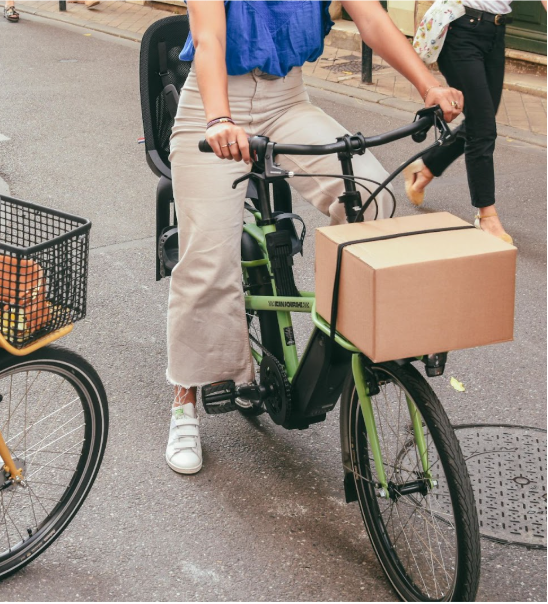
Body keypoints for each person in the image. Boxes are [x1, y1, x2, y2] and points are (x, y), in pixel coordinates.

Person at [164, 0, 464, 474]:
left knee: (373, 199)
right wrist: (220, 118)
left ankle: (341, 325)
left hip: (287, 100)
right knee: (206, 259)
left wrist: (429, 85)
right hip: (214, 101)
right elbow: (209, 38)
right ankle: (185, 399)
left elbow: (371, 18)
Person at [404, 0, 546, 245]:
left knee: (481, 122)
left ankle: (426, 167)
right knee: (483, 128)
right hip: (462, 31)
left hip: (495, 32)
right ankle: (486, 215)